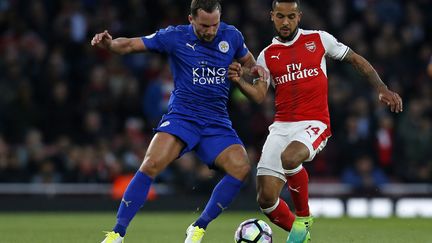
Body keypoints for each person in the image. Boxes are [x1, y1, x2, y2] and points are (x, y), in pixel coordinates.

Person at [228, 0, 403, 242]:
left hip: (314, 122)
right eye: (280, 16)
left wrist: (381, 88)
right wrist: (239, 81)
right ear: (272, 16)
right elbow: (259, 95)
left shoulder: (319, 39)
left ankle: (304, 217)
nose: (286, 22)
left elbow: (355, 59)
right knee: (266, 200)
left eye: (291, 16)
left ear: (299, 16)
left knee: (290, 157)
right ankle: (303, 237)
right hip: (281, 126)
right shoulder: (266, 56)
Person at [91, 0, 263, 242]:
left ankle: (199, 226)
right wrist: (110, 44)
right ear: (191, 19)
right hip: (183, 117)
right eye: (204, 25)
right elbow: (130, 44)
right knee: (150, 164)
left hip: (216, 122)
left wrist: (245, 74)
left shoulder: (231, 36)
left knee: (241, 168)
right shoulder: (174, 37)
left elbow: (251, 65)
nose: (211, 31)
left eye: (215, 24)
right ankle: (117, 233)